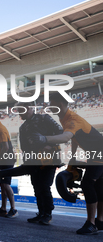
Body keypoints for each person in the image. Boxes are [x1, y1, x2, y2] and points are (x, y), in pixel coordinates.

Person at [40, 92, 103, 235]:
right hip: (95, 154)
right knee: (99, 185)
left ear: (59, 105)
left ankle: (91, 223)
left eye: (51, 103)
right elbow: (75, 138)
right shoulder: (65, 118)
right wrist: (73, 157)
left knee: (88, 183)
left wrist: (44, 139)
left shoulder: (73, 120)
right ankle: (100, 221)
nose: (49, 106)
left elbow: (66, 137)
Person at [17, 102, 63, 225]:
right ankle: (41, 213)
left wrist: (50, 144)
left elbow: (61, 131)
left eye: (21, 111)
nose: (20, 114)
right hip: (33, 162)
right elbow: (24, 148)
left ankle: (48, 214)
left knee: (44, 186)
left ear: (28, 108)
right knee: (37, 187)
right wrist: (27, 163)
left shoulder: (44, 118)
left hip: (49, 159)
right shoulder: (23, 127)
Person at [0, 111, 18, 218]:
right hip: (3, 159)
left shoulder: (1, 129)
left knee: (5, 184)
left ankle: (13, 209)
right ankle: (3, 208)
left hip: (7, 158)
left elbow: (6, 147)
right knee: (2, 184)